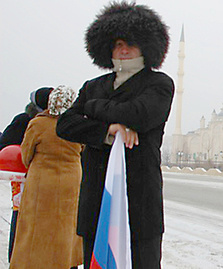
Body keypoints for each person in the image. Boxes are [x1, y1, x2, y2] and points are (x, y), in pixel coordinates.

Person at [56, 2, 174, 268]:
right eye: (118, 43)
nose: (123, 50)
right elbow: (65, 125)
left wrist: (92, 107)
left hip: (138, 204)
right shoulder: (94, 85)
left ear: (145, 46)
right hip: (97, 201)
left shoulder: (159, 84)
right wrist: (107, 130)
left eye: (130, 44)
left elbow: (140, 114)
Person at [10, 86, 83, 268]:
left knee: (35, 226)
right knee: (66, 226)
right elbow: (83, 148)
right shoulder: (77, 124)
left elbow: (26, 155)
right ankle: (64, 262)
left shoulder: (38, 124)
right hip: (71, 180)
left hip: (42, 181)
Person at [0, 86, 53, 261]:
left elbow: (5, 143)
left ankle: (18, 258)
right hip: (35, 180)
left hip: (32, 179)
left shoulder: (30, 121)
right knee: (29, 219)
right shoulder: (31, 122)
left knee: (24, 218)